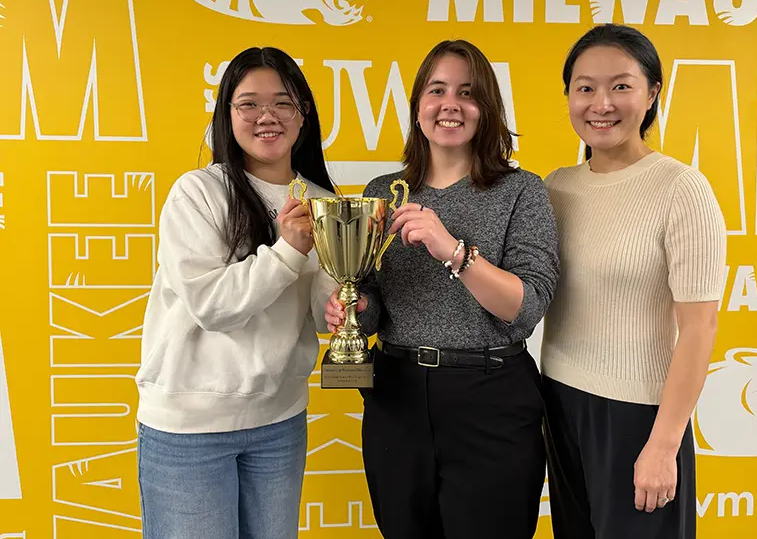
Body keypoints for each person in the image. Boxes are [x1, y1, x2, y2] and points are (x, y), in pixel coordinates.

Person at [324, 39, 560, 539]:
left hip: (490, 399)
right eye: (437, 90)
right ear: (417, 107)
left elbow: (527, 306)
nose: (450, 104)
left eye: (467, 92)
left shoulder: (522, 191)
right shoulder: (382, 193)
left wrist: (453, 250)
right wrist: (353, 309)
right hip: (397, 395)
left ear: (486, 110)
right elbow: (372, 300)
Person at [135, 47, 339, 539]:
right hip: (189, 427)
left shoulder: (324, 203)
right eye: (248, 103)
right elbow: (211, 306)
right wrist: (288, 250)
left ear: (303, 114)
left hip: (280, 420)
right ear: (227, 115)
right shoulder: (197, 193)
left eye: (283, 102)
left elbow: (317, 313)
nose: (266, 116)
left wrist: (344, 306)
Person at [541, 23, 727, 539]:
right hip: (559, 399)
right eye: (585, 88)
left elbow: (700, 327)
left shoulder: (681, 188)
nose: (601, 102)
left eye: (621, 85)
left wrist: (664, 444)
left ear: (651, 95)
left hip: (637, 415)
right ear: (569, 96)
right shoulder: (555, 187)